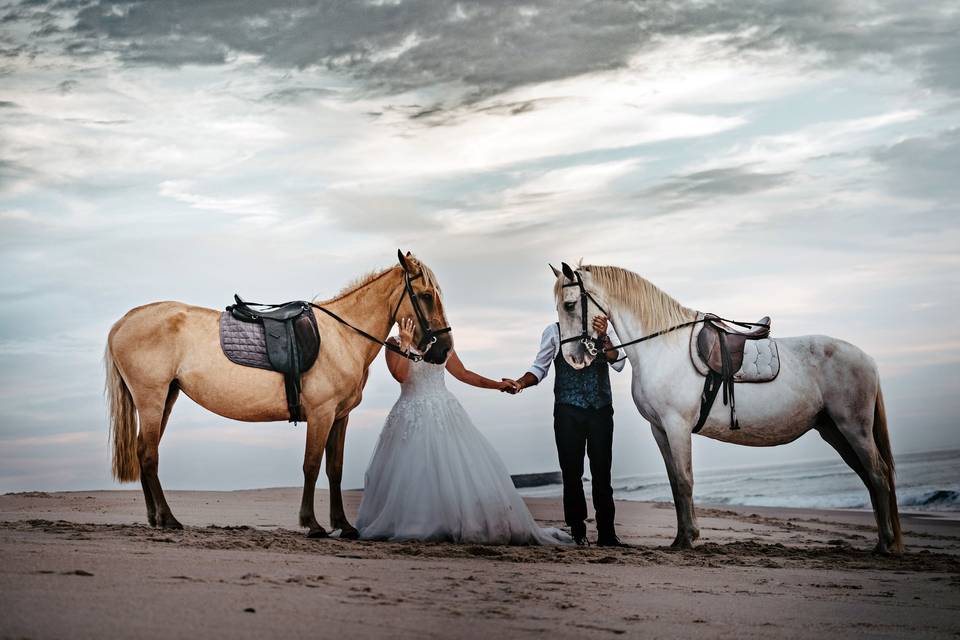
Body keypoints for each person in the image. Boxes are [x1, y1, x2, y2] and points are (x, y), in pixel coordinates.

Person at [355, 317, 571, 545]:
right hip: (410, 413)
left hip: (444, 411)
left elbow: (465, 374)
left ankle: (453, 520)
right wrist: (405, 345)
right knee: (413, 471)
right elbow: (401, 375)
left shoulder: (442, 342)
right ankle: (416, 522)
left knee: (453, 470)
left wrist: (497, 385)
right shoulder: (394, 341)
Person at [504, 315, 628, 546]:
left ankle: (607, 534)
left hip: (600, 409)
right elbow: (539, 368)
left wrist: (604, 338)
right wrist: (520, 383)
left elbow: (619, 363)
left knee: (602, 473)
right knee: (572, 473)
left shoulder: (604, 328)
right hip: (567, 410)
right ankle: (578, 531)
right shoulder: (553, 331)